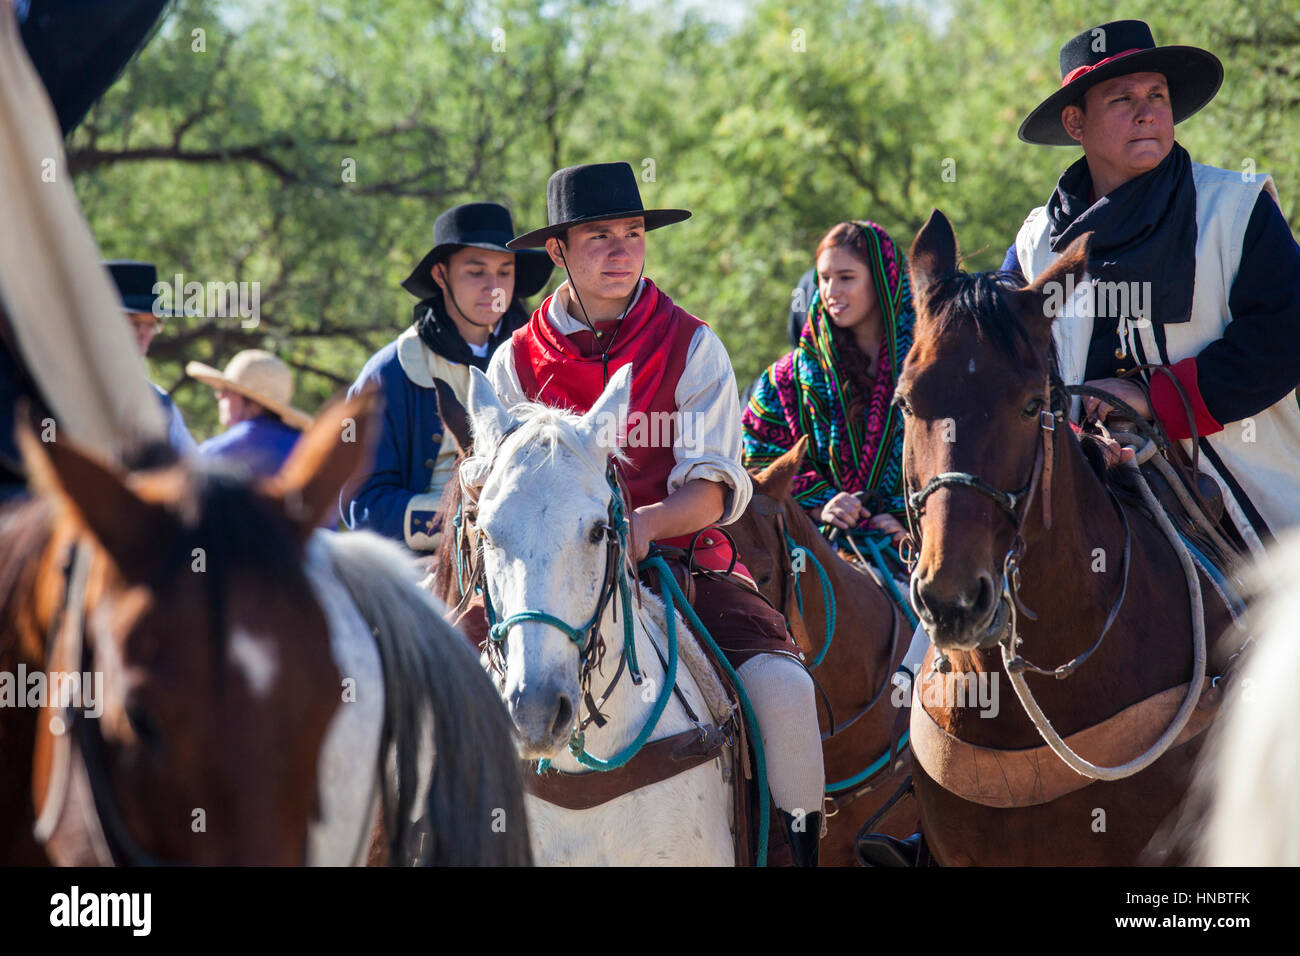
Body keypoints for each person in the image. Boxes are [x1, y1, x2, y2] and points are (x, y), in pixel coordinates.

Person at [482, 161, 825, 865]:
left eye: (633, 233)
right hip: (539, 579)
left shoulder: (693, 344)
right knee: (421, 682)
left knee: (785, 692)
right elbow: (500, 491)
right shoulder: (514, 361)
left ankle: (793, 851)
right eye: (600, 236)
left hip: (680, 561)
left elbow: (713, 489)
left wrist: (638, 528)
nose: (622, 251)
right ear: (558, 252)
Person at [1003, 19, 1300, 555]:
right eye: (1121, 98)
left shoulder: (1235, 208)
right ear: (1075, 122)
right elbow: (1005, 351)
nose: (1147, 112)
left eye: (1156, 95)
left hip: (1240, 486)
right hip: (1079, 480)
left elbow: (1283, 338)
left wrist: (1151, 397)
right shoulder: (1036, 242)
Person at [341, 202, 553, 552]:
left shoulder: (540, 359)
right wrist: (464, 523)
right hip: (423, 561)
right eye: (476, 272)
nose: (493, 287)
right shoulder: (389, 374)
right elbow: (362, 503)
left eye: (504, 272)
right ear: (441, 275)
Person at [743, 221, 913, 550]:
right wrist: (822, 503)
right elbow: (755, 458)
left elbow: (961, 461)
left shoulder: (928, 370)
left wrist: (909, 521)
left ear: (882, 281)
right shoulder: (787, 379)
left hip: (922, 562)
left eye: (847, 278)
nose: (831, 291)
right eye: (824, 278)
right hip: (814, 563)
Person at [106, 260, 196, 456]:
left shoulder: (160, 402)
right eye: (135, 323)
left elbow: (190, 468)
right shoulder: (63, 388)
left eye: (151, 325)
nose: (144, 334)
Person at [185, 350, 312, 478]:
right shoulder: (305, 446)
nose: (219, 395)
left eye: (227, 389)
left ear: (253, 402)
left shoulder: (217, 453)